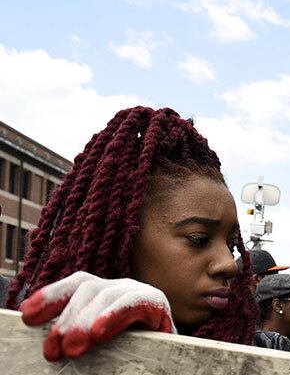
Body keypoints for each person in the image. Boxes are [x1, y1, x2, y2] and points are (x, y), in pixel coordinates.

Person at [9, 106, 257, 359]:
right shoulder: (15, 329)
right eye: (199, 239)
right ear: (122, 241)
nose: (229, 265)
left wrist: (164, 351)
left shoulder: (262, 349)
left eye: (231, 243)